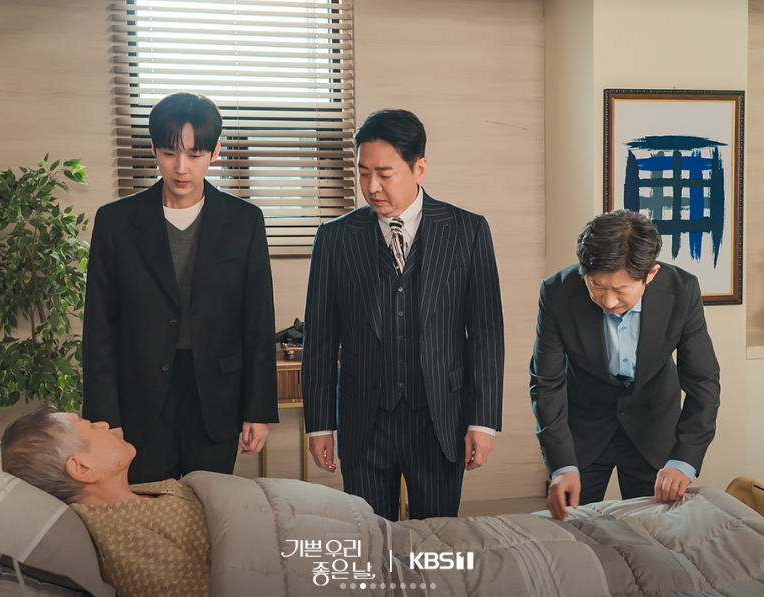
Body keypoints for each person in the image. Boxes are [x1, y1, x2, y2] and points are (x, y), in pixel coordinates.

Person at [302, 109, 505, 521]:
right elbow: (320, 338)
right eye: (363, 173)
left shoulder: (467, 231)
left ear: (419, 168)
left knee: (438, 538)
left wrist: (483, 422)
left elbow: (486, 334)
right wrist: (320, 424)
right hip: (363, 418)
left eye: (384, 174)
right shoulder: (334, 238)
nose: (371, 186)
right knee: (370, 537)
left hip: (440, 418)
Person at [82, 92, 278, 484]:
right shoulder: (115, 222)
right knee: (149, 505)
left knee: (212, 505)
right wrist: (105, 417)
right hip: (141, 397)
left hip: (217, 397)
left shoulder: (244, 221)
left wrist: (257, 409)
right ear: (154, 149)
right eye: (170, 153)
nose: (182, 167)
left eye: (195, 153)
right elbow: (100, 327)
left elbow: (257, 321)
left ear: (215, 151)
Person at [530, 209, 720, 521]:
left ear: (651, 274)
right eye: (597, 286)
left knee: (653, 531)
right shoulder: (557, 292)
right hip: (583, 430)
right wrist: (561, 465)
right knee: (570, 526)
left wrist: (684, 460)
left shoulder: (681, 290)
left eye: (621, 290)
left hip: (653, 427)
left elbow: (703, 381)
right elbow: (546, 383)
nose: (608, 301)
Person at [1, 402, 212, 597]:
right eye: (91, 426)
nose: (103, 424)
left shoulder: (136, 495)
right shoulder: (126, 544)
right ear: (83, 468)